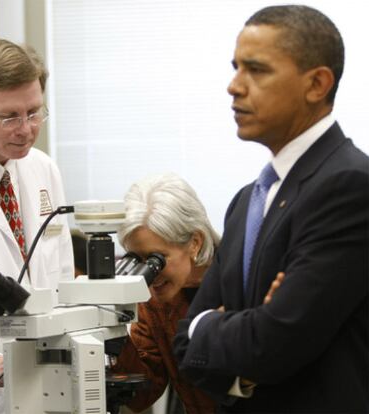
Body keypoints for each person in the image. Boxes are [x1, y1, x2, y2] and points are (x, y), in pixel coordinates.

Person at [174, 5, 369, 413]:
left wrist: (210, 326)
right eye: (235, 68)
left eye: (256, 70)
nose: (234, 86)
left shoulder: (349, 186)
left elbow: (275, 341)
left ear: (317, 84)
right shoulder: (249, 200)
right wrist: (238, 338)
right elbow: (183, 344)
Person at [0, 38, 74, 414]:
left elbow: (63, 278)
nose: (27, 129)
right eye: (10, 117)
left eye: (35, 112)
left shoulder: (42, 169)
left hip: (50, 384)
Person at [111, 172, 220, 414]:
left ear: (195, 242)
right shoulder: (154, 300)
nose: (150, 275)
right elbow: (142, 394)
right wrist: (112, 329)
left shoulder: (238, 279)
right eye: (136, 259)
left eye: (156, 259)